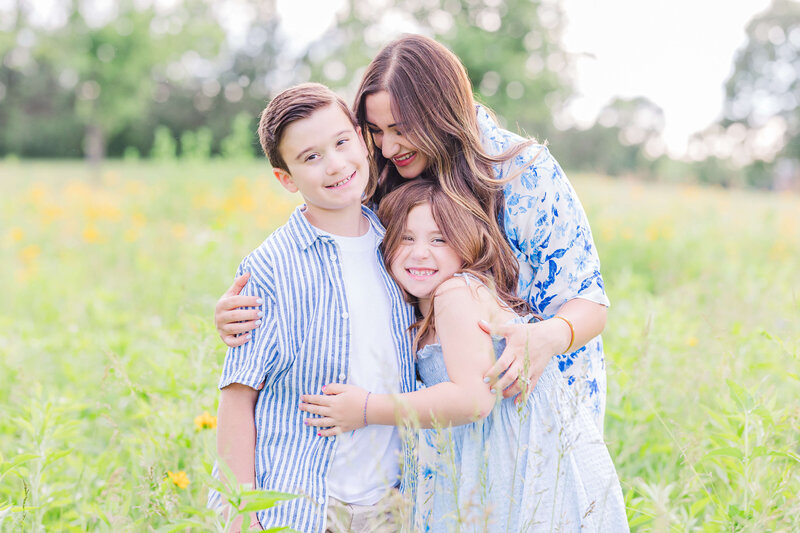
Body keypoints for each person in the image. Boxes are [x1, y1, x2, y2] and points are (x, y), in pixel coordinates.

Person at [214, 34, 611, 431]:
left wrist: (550, 336)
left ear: (441, 113)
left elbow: (589, 299)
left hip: (536, 407)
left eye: (400, 129)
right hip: (434, 419)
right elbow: (334, 242)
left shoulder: (523, 171)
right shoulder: (384, 177)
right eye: (376, 131)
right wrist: (253, 307)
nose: (387, 147)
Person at [298, 179, 629, 532]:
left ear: (466, 247)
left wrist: (365, 409)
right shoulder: (418, 306)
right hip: (491, 461)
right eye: (406, 238)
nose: (420, 252)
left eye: (439, 239)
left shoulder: (455, 292)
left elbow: (473, 400)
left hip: (521, 462)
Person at [208, 82, 417, 533]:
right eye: (311, 157)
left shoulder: (400, 241)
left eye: (342, 143)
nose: (336, 164)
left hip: (394, 501)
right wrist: (238, 514)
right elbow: (238, 394)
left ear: (363, 141)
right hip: (304, 504)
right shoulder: (271, 267)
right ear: (287, 179)